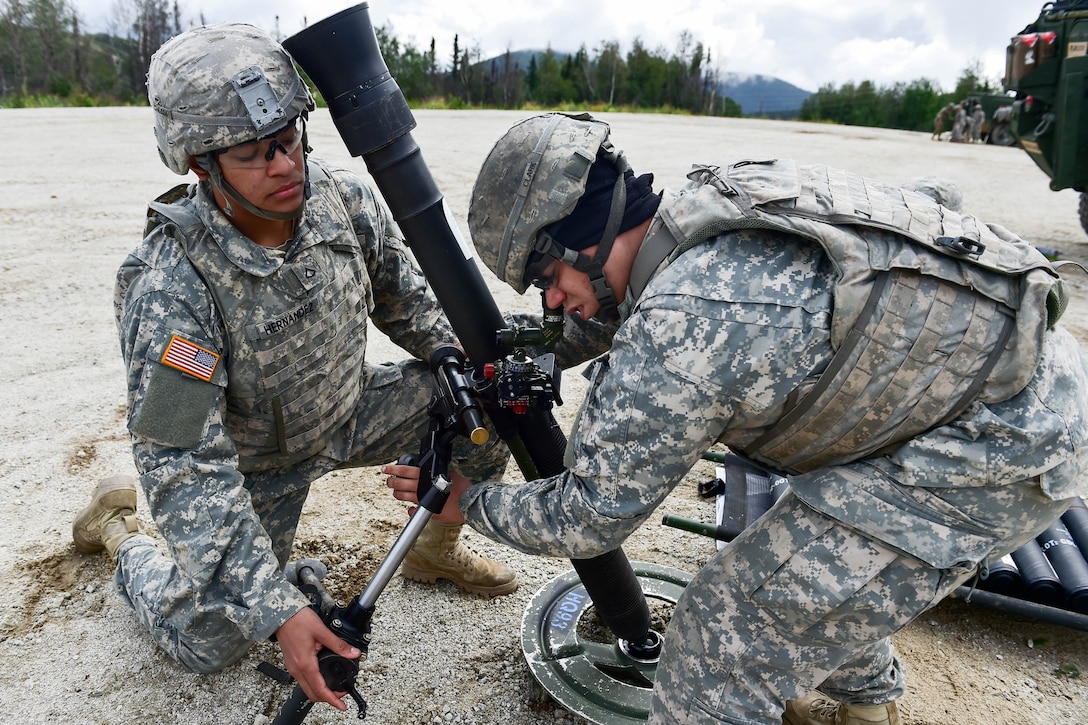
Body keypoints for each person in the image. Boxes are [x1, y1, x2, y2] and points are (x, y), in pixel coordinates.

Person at [385, 112, 1088, 725]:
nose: (553, 303)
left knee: (718, 643)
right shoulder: (696, 214)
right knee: (805, 550)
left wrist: (467, 503)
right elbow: (616, 312)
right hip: (988, 384)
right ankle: (866, 708)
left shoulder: (683, 328)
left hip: (992, 449)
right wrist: (532, 352)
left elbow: (587, 514)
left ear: (580, 242)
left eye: (548, 282)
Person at [70, 23, 517, 713]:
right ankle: (118, 533)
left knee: (490, 401)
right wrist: (275, 605)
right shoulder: (172, 283)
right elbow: (183, 461)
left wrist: (448, 360)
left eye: (290, 138)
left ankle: (434, 548)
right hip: (256, 467)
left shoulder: (338, 198)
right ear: (200, 165)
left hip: (350, 408)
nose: (286, 165)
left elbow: (404, 294)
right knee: (208, 642)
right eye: (253, 153)